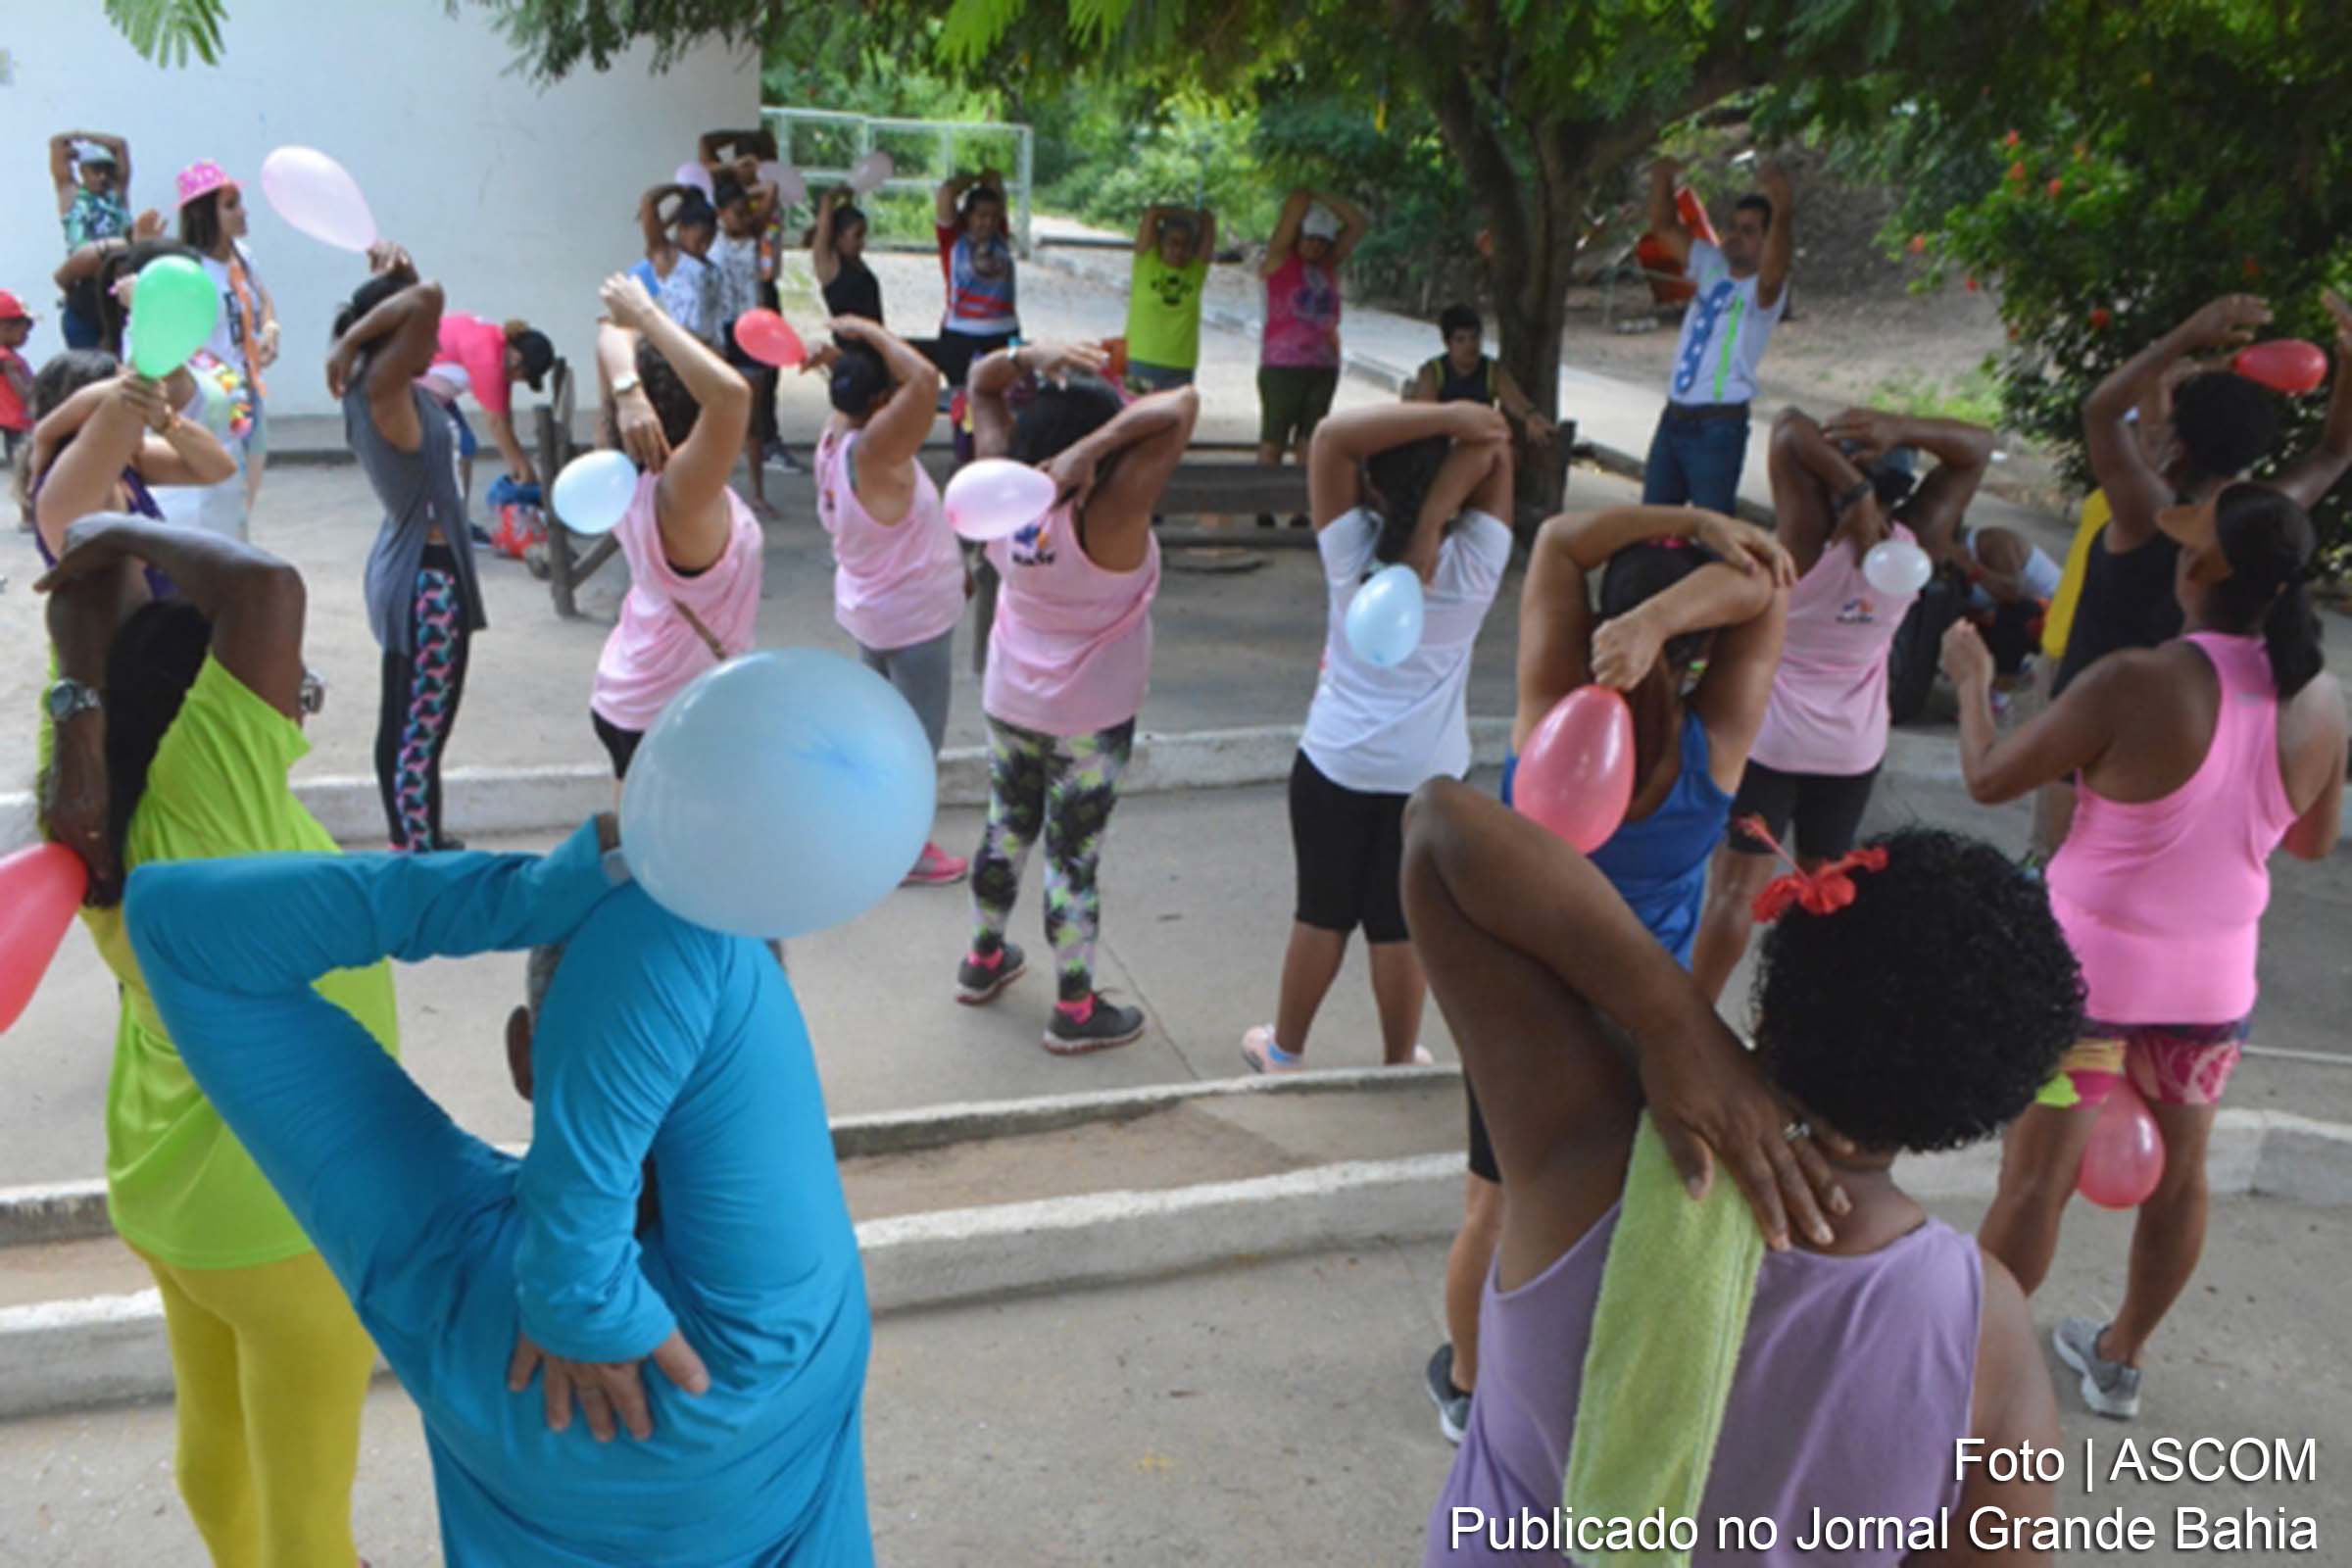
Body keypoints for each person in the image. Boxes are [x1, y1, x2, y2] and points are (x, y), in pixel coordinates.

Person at [120, 811, 875, 1564]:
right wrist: (573, 1280)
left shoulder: (443, 1278)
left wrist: (520, 897)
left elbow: (179, 930)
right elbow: (675, 923)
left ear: (522, 1055)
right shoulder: (782, 1316)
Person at [1404, 782, 2074, 1564]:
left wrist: (1673, 1019)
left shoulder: (1587, 1146)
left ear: (1771, 997)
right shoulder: (1987, 1335)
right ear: (1971, 1115)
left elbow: (1441, 829)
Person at [1948, 483, 2344, 1422]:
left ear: (2199, 568)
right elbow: (2313, 842)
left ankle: (1967, 1371)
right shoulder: (2322, 698)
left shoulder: (2136, 680)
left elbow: (1989, 777)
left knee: (2037, 1180)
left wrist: (1970, 677)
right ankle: (2121, 1359)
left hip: (2085, 983)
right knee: (2181, 1178)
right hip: (2212, 988)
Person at [37, 518, 380, 1566]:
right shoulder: (210, 803)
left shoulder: (84, 779)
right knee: (308, 1519)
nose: (298, 701)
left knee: (218, 1460)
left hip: (169, 1193)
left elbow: (90, 615)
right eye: (294, 689)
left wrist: (87, 591)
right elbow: (267, 588)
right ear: (213, 708)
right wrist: (112, 527)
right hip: (289, 1217)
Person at [1425, 502, 1791, 1445]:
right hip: (1642, 1020)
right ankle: (1583, 1388)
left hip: (1514, 1010)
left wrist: (1683, 523)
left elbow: (1557, 539)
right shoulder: (1717, 744)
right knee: (1607, 1215)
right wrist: (1664, 623)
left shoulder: (1549, 704)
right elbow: (1769, 584)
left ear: (1597, 621)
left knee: (1493, 1206)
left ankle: (1467, 1391)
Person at [1239, 401, 1515, 1075]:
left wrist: (1442, 414)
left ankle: (1285, 1052)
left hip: (1334, 762)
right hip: (1428, 777)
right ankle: (1397, 1063)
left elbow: (1330, 436)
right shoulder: (1477, 561)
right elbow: (1495, 440)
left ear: (1374, 488)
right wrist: (1434, 520)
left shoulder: (1352, 548)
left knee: (1321, 913)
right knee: (1398, 925)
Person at [2031, 290, 2352, 866]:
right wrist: (2348, 364)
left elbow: (2100, 411)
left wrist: (2188, 333)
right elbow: (2334, 452)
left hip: (2087, 747)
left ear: (2177, 441)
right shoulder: (2261, 519)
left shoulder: (2146, 512)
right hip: (2185, 749)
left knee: (2066, 893)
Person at [1688, 406, 1985, 1004]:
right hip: (1851, 748)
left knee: (1734, 893)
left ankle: (1691, 1018)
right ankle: (1807, 1021)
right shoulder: (1915, 545)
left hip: (1771, 737)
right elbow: (1976, 448)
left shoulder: (1803, 539)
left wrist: (1852, 493)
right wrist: (1900, 430)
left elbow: (1788, 427)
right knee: (1823, 892)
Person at [957, 341, 1199, 1052]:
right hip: (1090, 718)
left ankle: (982, 960)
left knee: (1005, 826)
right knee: (1073, 859)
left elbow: (980, 385)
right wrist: (1094, 448)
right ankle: (1074, 1009)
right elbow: (1182, 404)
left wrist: (1031, 355)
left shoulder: (999, 494)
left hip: (1011, 699)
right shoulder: (1114, 510)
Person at [327, 243, 487, 853]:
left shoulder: (375, 384)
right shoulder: (381, 388)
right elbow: (430, 298)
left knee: (402, 716)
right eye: (423, 333)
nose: (436, 340)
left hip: (408, 564)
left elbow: (423, 300)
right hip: (429, 582)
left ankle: (410, 837)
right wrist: (355, 337)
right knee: (420, 732)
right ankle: (419, 851)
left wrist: (399, 283)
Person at [587, 273, 763, 783]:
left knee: (635, 828)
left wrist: (627, 393)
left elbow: (609, 330)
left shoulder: (620, 466)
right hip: (672, 710)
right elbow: (731, 396)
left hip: (629, 690)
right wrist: (647, 315)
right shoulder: (683, 489)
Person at [815, 317, 970, 886]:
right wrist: (870, 332)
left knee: (878, 731)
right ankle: (906, 852)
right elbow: (926, 379)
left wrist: (841, 362)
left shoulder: (836, 434)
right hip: (913, 619)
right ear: (883, 402)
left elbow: (862, 393)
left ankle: (868, 830)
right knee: (915, 743)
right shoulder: (878, 448)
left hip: (871, 610)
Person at [1638, 158, 1794, 514]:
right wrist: (1663, 177)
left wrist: (1783, 210)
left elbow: (1775, 270)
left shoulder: (1764, 291)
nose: (1734, 236)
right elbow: (1664, 227)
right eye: (1733, 227)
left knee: (1713, 529)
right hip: (1674, 418)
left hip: (1718, 427)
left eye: (1749, 231)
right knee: (1652, 524)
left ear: (1768, 241)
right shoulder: (1712, 263)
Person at [25, 351, 232, 577]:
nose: (142, 418)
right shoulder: (72, 477)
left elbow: (219, 468)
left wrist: (165, 420)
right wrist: (46, 432)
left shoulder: (128, 459)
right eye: (137, 405)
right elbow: (125, 394)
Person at [1256, 188, 1369, 525]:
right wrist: (1310, 194)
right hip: (1282, 365)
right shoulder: (1279, 260)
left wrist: (1327, 198)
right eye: (1310, 239)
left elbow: (1358, 224)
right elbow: (1296, 202)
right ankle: (1263, 505)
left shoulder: (1328, 266)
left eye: (1323, 241)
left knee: (1309, 441)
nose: (1316, 247)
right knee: (1274, 439)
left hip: (1323, 365)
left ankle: (1298, 508)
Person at [175, 161, 279, 514]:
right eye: (230, 206)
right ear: (204, 214)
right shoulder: (191, 271)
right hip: (214, 396)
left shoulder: (243, 257)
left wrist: (270, 329)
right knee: (220, 489)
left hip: (249, 389)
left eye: (239, 203)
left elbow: (264, 299)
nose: (242, 212)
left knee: (247, 490)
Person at [709, 173, 784, 514]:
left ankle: (756, 491)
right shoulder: (711, 239)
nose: (742, 218)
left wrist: (744, 188)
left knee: (753, 417)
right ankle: (718, 489)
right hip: (724, 328)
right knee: (721, 413)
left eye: (744, 211)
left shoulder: (753, 234)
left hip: (752, 328)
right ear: (720, 213)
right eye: (735, 212)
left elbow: (771, 190)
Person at [424, 308, 556, 496]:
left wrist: (518, 466)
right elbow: (496, 422)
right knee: (458, 446)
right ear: (517, 360)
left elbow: (504, 416)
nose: (518, 381)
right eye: (524, 377)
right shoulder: (489, 361)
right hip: (408, 389)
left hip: (430, 391)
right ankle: (449, 512)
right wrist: (524, 473)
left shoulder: (496, 342)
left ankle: (457, 511)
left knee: (465, 445)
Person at [1405, 304, 1558, 450]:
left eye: (1475, 338)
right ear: (1447, 343)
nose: (1470, 345)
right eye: (1461, 340)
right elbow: (1426, 415)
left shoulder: (1492, 371)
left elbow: (1515, 401)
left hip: (1479, 443)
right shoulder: (1433, 372)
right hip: (1440, 444)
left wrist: (1531, 417)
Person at [932, 171, 1020, 388]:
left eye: (993, 216)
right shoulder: (953, 239)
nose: (988, 222)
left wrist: (986, 177)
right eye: (981, 216)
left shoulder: (1000, 234)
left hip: (1005, 332)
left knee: (1005, 396)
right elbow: (946, 193)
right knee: (963, 397)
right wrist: (972, 179)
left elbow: (995, 180)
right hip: (961, 334)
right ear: (967, 216)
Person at [49, 129, 132, 349]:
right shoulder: (72, 195)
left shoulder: (116, 196)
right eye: (95, 170)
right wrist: (76, 140)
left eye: (107, 170)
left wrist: (87, 136)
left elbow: (120, 144)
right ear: (82, 171)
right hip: (86, 280)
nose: (102, 176)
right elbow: (57, 143)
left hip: (117, 279)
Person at [1124, 204, 1216, 393]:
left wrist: (1196, 219)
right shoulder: (1146, 263)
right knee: (1136, 410)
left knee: (1176, 413)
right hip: (1140, 361)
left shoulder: (1195, 271)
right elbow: (1153, 213)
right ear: (1161, 243)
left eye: (1185, 245)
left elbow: (1208, 221)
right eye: (1172, 243)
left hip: (1180, 366)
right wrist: (1187, 213)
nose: (1178, 250)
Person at [638, 181, 721, 344]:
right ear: (682, 229)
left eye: (710, 240)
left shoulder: (712, 269)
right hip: (680, 346)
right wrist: (677, 189)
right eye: (700, 239)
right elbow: (648, 202)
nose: (705, 247)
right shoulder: (668, 256)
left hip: (710, 346)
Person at [812, 187, 884, 324]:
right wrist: (840, 191)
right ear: (839, 237)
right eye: (857, 236)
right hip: (849, 339)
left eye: (863, 235)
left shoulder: (856, 262)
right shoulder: (829, 265)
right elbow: (826, 206)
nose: (862, 243)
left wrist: (848, 198)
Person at [1, 292, 34, 467]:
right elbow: (22, 390)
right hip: (16, 418)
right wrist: (35, 399)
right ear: (6, 327)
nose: (27, 337)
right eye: (24, 331)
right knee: (21, 461)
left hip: (8, 417)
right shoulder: (6, 359)